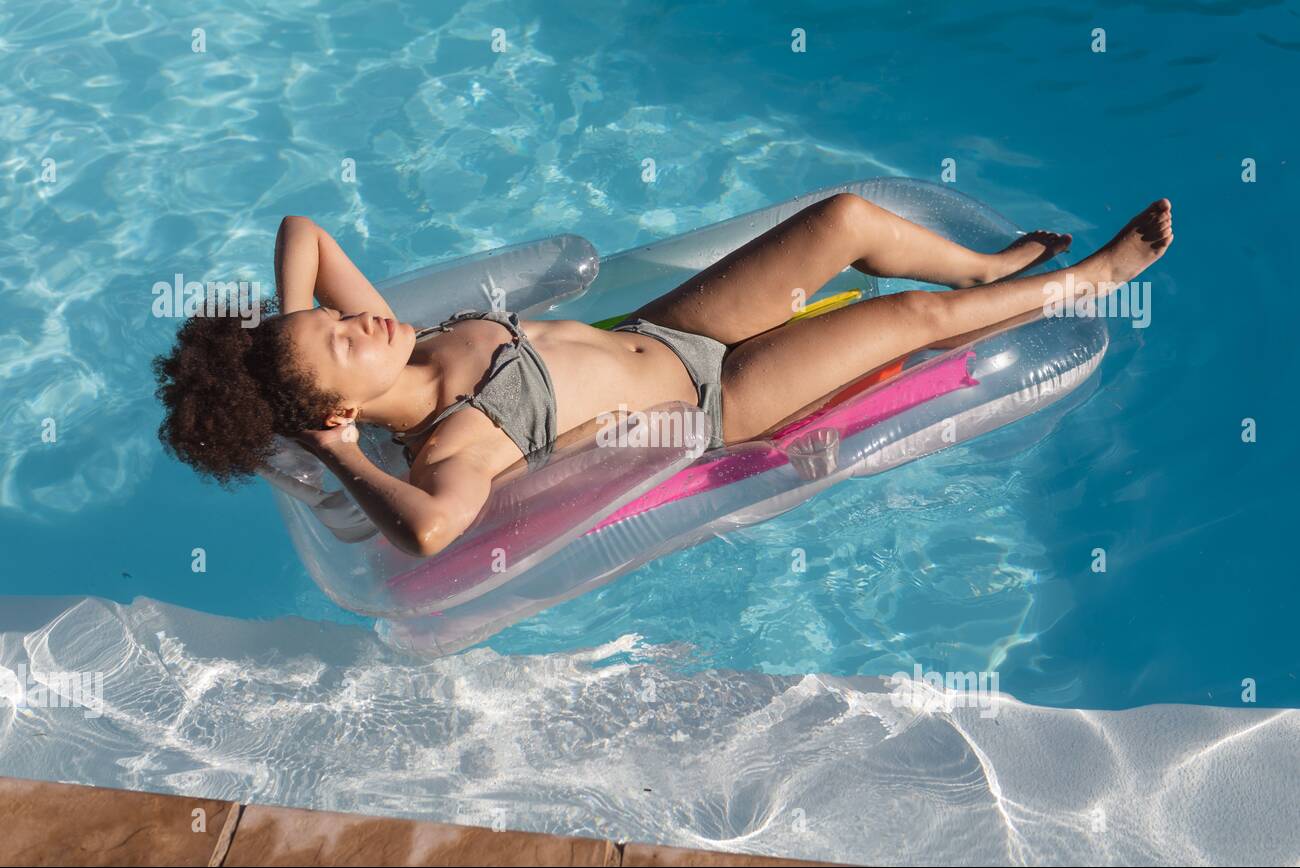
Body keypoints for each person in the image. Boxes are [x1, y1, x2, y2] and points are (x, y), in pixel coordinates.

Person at [153, 193, 1172, 557]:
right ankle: (1089, 280)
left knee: (846, 220)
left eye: (331, 313)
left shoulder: (411, 343)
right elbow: (425, 532)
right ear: (338, 406)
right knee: (904, 317)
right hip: (719, 398)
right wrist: (341, 459)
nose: (353, 315)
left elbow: (303, 229)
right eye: (339, 338)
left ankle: (994, 265)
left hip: (668, 328)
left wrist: (295, 324)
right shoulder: (451, 442)